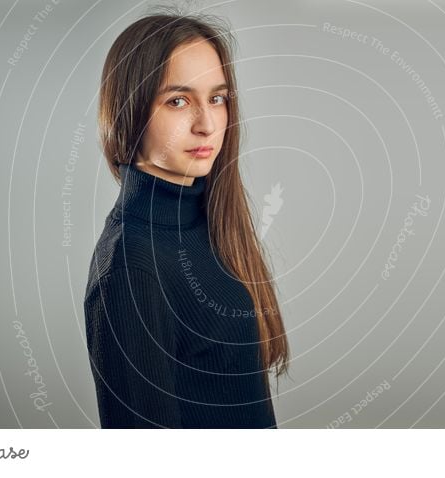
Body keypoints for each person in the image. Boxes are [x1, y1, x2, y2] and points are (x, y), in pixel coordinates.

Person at [84, 11, 290, 428]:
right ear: (131, 110)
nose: (208, 124)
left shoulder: (212, 221)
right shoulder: (130, 264)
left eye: (217, 98)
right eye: (178, 101)